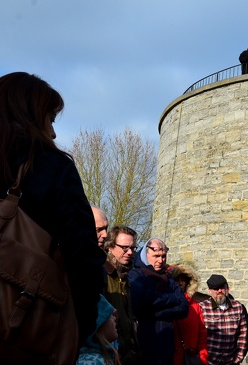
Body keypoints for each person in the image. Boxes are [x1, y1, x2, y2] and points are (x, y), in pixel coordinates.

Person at [0, 72, 105, 350]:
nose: (54, 132)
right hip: (30, 333)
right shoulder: (50, 166)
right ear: (31, 115)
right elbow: (83, 258)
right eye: (51, 119)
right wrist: (77, 330)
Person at [129, 238, 188, 365]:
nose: (160, 261)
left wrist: (155, 313)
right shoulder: (136, 275)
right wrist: (173, 298)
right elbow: (140, 301)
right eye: (156, 256)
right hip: (144, 344)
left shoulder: (169, 279)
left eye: (163, 256)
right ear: (146, 254)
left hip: (166, 345)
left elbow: (184, 308)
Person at [103, 225, 142, 365]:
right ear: (110, 247)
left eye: (132, 248)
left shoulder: (126, 277)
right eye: (124, 248)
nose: (130, 252)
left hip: (128, 352)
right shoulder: (102, 275)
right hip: (108, 352)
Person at [199, 274, 248, 365]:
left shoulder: (238, 307)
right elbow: (197, 336)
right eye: (216, 288)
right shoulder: (202, 308)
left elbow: (243, 335)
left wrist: (238, 358)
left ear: (227, 289)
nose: (219, 291)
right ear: (209, 291)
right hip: (209, 361)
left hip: (230, 361)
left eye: (222, 287)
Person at [168, 264, 208, 365]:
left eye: (183, 280)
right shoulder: (167, 304)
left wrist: (202, 356)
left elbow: (202, 332)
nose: (180, 283)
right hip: (172, 357)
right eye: (177, 280)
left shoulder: (195, 306)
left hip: (191, 357)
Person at [76, 294, 121, 365]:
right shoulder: (91, 362)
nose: (115, 318)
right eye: (110, 316)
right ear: (99, 325)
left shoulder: (106, 354)